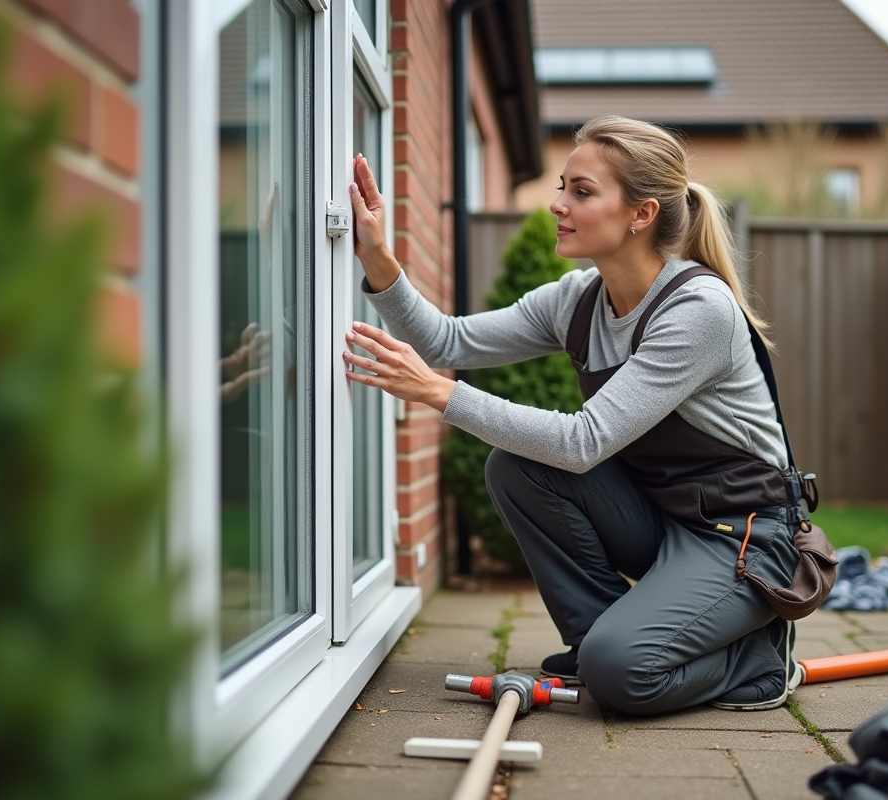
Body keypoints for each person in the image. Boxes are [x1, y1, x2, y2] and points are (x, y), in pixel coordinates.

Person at [342, 115, 806, 715]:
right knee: (516, 467)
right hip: (661, 520)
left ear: (641, 214)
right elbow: (448, 343)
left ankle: (759, 660)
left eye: (581, 192)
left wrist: (439, 395)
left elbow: (583, 442)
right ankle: (597, 642)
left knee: (623, 678)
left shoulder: (697, 309)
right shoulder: (577, 300)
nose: (557, 203)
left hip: (741, 537)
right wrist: (378, 256)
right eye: (563, 185)